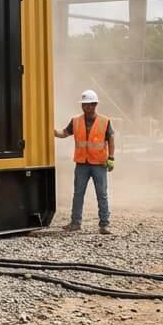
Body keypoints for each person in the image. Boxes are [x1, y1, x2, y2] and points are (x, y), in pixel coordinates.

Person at [54, 89, 115, 234]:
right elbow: (65, 133)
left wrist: (111, 158)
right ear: (82, 106)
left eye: (90, 104)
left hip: (99, 164)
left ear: (95, 105)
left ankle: (104, 224)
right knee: (78, 194)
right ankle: (75, 223)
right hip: (82, 163)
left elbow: (111, 139)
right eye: (85, 104)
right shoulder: (76, 121)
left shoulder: (104, 121)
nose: (87, 107)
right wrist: (53, 132)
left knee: (102, 194)